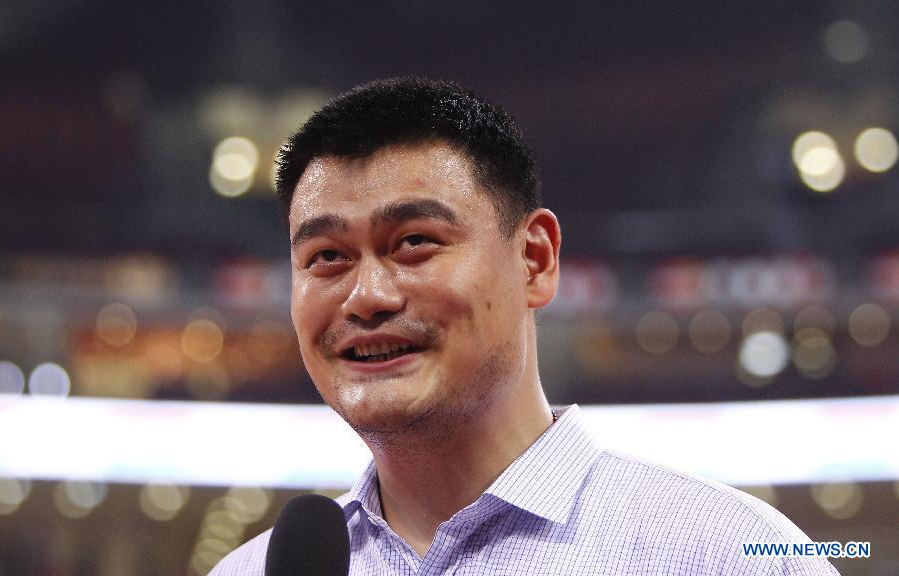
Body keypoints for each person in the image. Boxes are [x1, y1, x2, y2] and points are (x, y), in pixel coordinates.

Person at [210, 77, 839, 575]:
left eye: (414, 243)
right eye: (326, 258)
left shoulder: (735, 556)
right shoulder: (248, 572)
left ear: (534, 259)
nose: (366, 296)